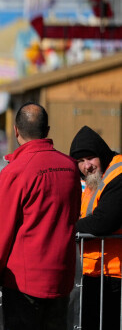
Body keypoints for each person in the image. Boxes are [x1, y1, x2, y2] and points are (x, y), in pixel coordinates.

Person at [0, 103, 80, 330]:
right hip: (61, 279)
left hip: (23, 284)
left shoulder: (16, 171)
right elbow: (74, 215)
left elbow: (0, 234)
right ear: (47, 130)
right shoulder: (70, 167)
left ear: (16, 131)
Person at [70, 125, 122, 330]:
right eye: (80, 161)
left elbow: (104, 221)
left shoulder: (117, 174)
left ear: (101, 153)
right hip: (95, 272)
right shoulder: (96, 179)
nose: (86, 166)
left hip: (114, 275)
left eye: (90, 158)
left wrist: (65, 229)